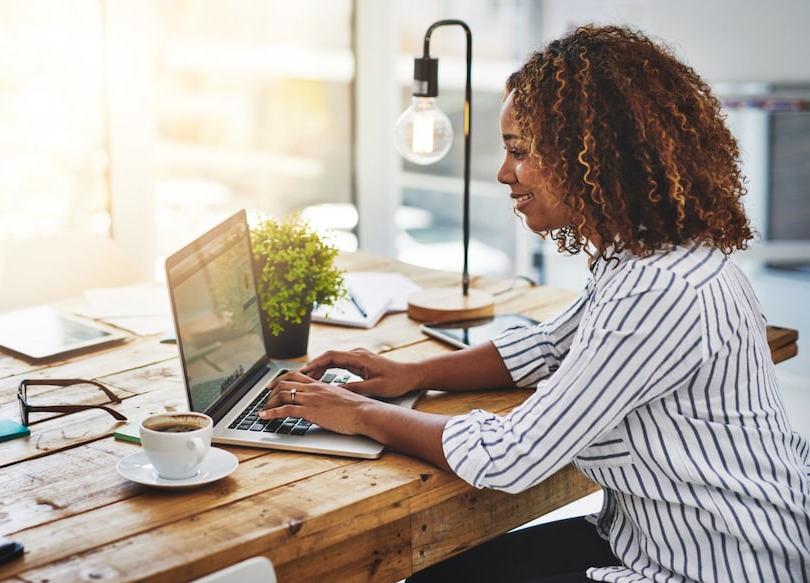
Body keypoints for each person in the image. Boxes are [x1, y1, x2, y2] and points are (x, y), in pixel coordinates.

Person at [259, 24, 810, 582]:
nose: (504, 173)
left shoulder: (657, 289)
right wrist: (409, 373)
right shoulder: (645, 257)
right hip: (651, 537)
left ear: (590, 154)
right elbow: (548, 347)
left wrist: (358, 413)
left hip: (713, 568)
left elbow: (511, 456)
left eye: (519, 152)